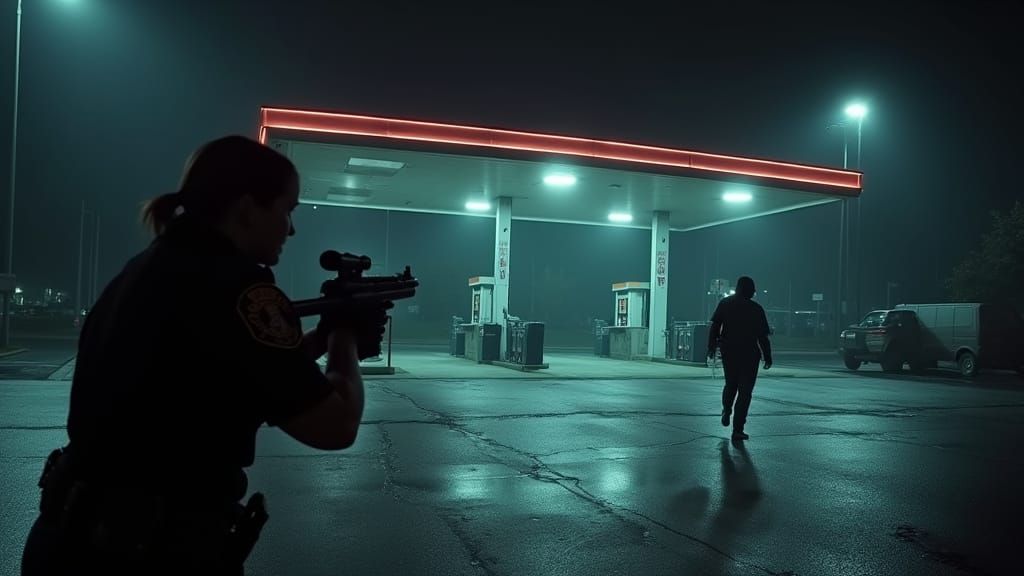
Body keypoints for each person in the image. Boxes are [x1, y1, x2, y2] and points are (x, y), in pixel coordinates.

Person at [20, 135, 388, 575]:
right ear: (247, 207)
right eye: (286, 209)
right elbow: (336, 425)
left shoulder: (145, 269)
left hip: (70, 537)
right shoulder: (240, 289)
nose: (291, 228)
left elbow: (229, 374)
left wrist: (319, 336)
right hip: (149, 554)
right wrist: (346, 335)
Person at [707, 276, 773, 441]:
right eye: (753, 289)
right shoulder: (756, 309)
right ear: (749, 290)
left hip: (729, 352)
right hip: (749, 355)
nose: (754, 291)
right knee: (745, 392)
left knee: (731, 384)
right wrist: (768, 356)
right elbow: (763, 337)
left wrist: (711, 347)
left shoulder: (725, 304)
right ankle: (738, 429)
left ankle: (726, 409)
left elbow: (715, 326)